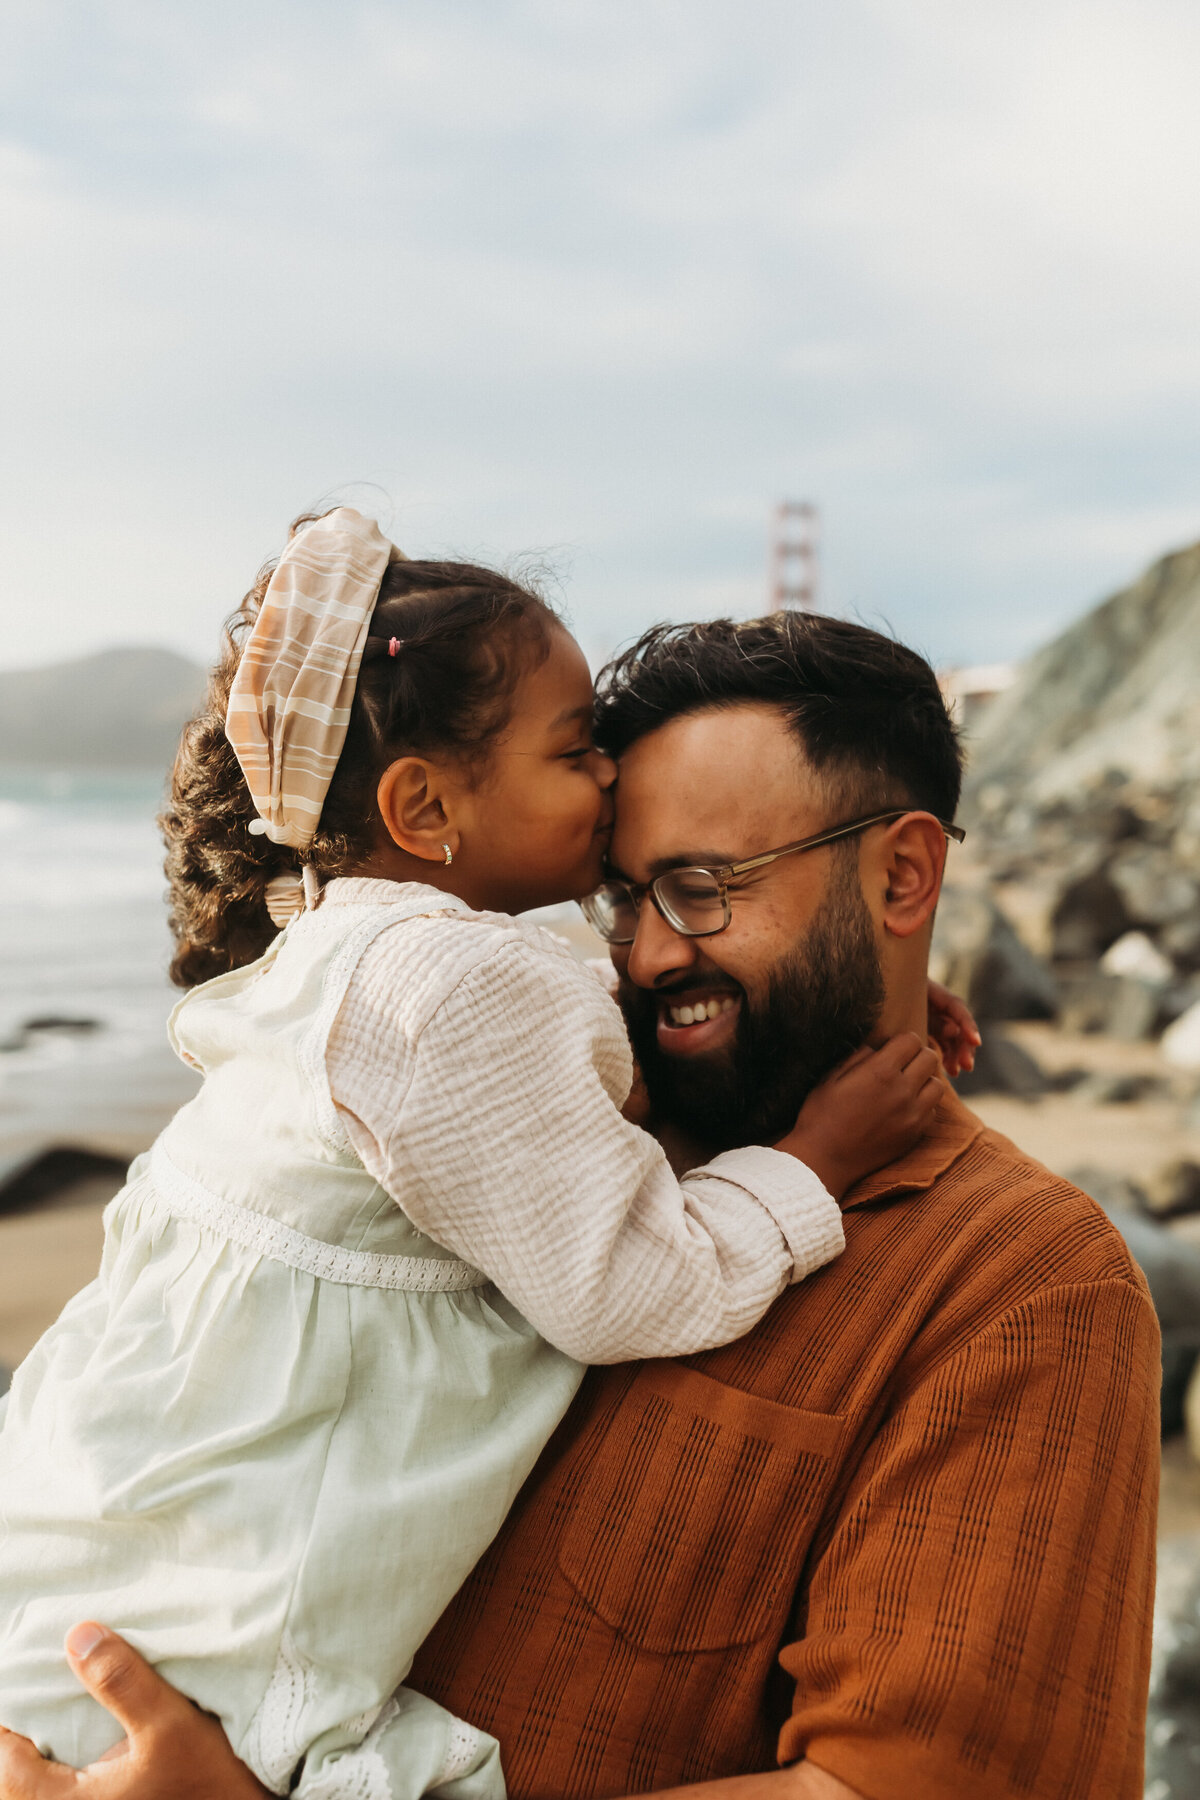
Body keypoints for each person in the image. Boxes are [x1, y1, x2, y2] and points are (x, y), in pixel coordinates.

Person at [1, 610, 1151, 1800]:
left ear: (903, 875)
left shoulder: (1022, 1283)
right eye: (623, 898)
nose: (647, 957)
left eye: (702, 888)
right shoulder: (512, 1121)